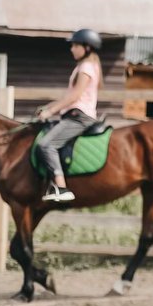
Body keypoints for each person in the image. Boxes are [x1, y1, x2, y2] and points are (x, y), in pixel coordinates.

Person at [34, 28, 104, 203]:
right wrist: (48, 107)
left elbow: (75, 96)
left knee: (46, 145)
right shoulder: (84, 66)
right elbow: (68, 97)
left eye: (75, 45)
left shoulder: (86, 67)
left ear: (87, 47)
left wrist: (50, 112)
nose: (71, 49)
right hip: (73, 113)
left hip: (80, 117)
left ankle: (61, 187)